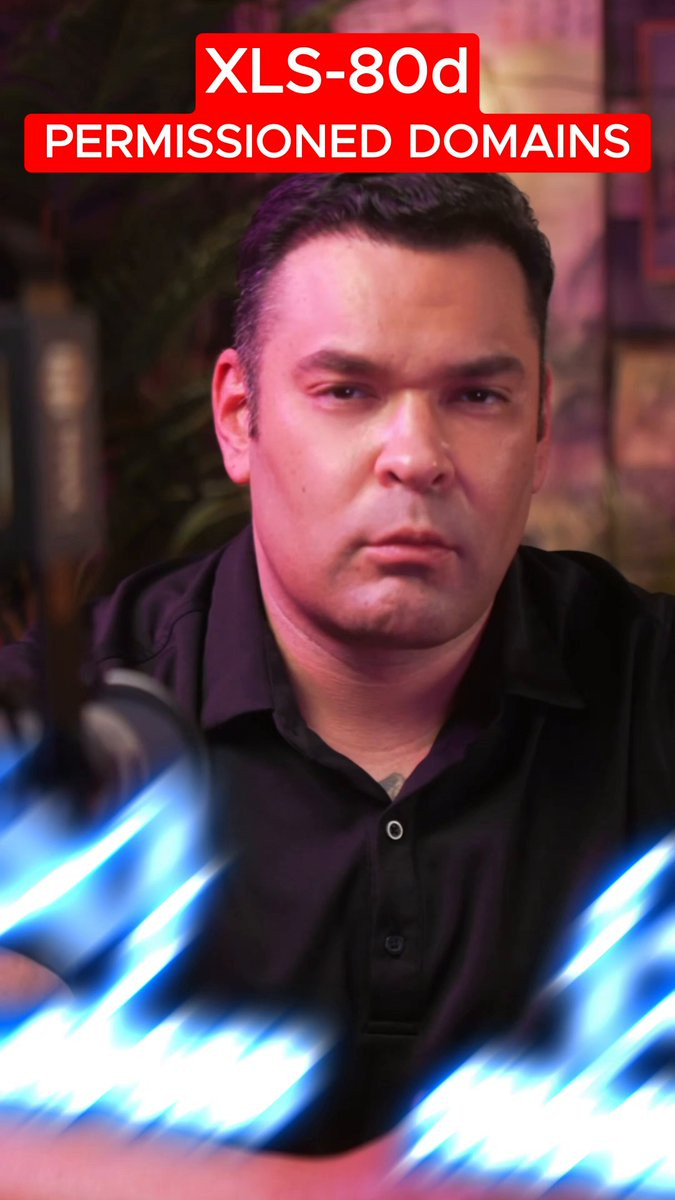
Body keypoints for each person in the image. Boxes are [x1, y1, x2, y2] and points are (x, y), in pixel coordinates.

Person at [0, 172, 674, 1198]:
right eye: (347, 392)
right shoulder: (76, 709)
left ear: (540, 431)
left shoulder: (650, 685)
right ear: (239, 417)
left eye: (477, 396)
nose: (416, 457)